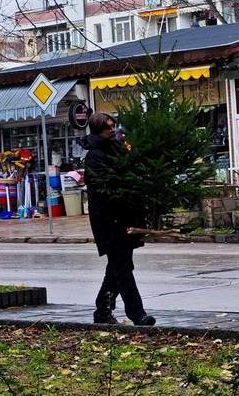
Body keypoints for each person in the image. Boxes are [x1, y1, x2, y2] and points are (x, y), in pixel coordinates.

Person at [83, 112, 156, 326]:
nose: (112, 130)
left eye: (113, 125)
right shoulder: (94, 156)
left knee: (118, 268)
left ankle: (102, 309)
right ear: (98, 130)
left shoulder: (117, 149)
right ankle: (137, 314)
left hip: (125, 218)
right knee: (122, 268)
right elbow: (105, 188)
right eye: (108, 127)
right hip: (108, 221)